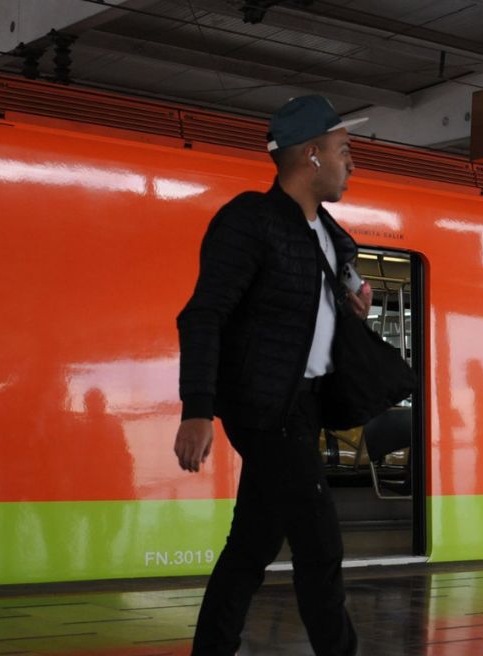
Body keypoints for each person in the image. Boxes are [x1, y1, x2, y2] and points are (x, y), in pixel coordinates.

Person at [174, 95, 369, 656]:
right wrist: (197, 409)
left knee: (251, 544)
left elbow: (315, 304)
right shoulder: (249, 222)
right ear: (310, 155)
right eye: (342, 151)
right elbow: (203, 314)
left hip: (303, 407)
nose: (351, 164)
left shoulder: (328, 236)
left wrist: (352, 298)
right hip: (265, 408)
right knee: (319, 545)